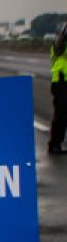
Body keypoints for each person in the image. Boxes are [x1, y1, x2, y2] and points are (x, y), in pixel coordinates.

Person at [50, 21, 67, 155]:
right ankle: (55, 144)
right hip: (63, 82)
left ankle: (55, 144)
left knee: (60, 116)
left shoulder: (57, 44)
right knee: (61, 117)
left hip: (58, 83)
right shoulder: (63, 46)